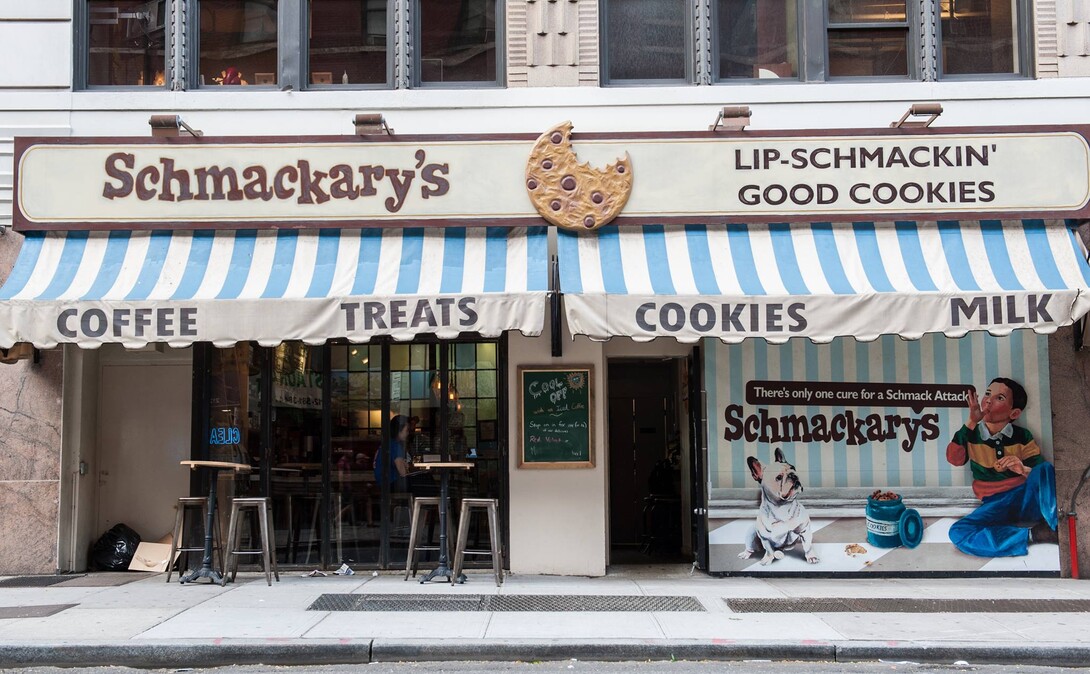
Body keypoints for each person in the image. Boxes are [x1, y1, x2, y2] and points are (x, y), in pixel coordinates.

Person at [946, 377, 1059, 557]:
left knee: (1045, 468)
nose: (989, 400)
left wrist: (1023, 469)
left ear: (1014, 414)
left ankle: (1058, 526)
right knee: (958, 532)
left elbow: (1042, 475)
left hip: (1024, 498)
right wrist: (971, 422)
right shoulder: (971, 433)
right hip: (995, 504)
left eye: (1000, 398)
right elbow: (954, 458)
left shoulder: (1022, 436)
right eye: (988, 394)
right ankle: (1033, 534)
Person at [374, 415, 412, 491]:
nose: (408, 433)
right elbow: (403, 472)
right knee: (424, 479)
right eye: (407, 430)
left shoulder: (387, 443)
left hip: (382, 484)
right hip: (391, 484)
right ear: (399, 430)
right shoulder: (395, 446)